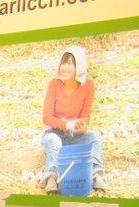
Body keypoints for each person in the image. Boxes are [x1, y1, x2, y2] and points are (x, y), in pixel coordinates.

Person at [41, 45, 108, 193]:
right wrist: (69, 124)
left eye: (70, 63)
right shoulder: (54, 84)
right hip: (54, 133)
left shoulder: (88, 86)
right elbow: (46, 118)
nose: (64, 67)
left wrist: (81, 127)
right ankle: (51, 178)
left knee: (95, 137)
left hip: (74, 136)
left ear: (80, 66)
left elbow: (85, 118)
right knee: (53, 141)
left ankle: (96, 175)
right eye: (63, 63)